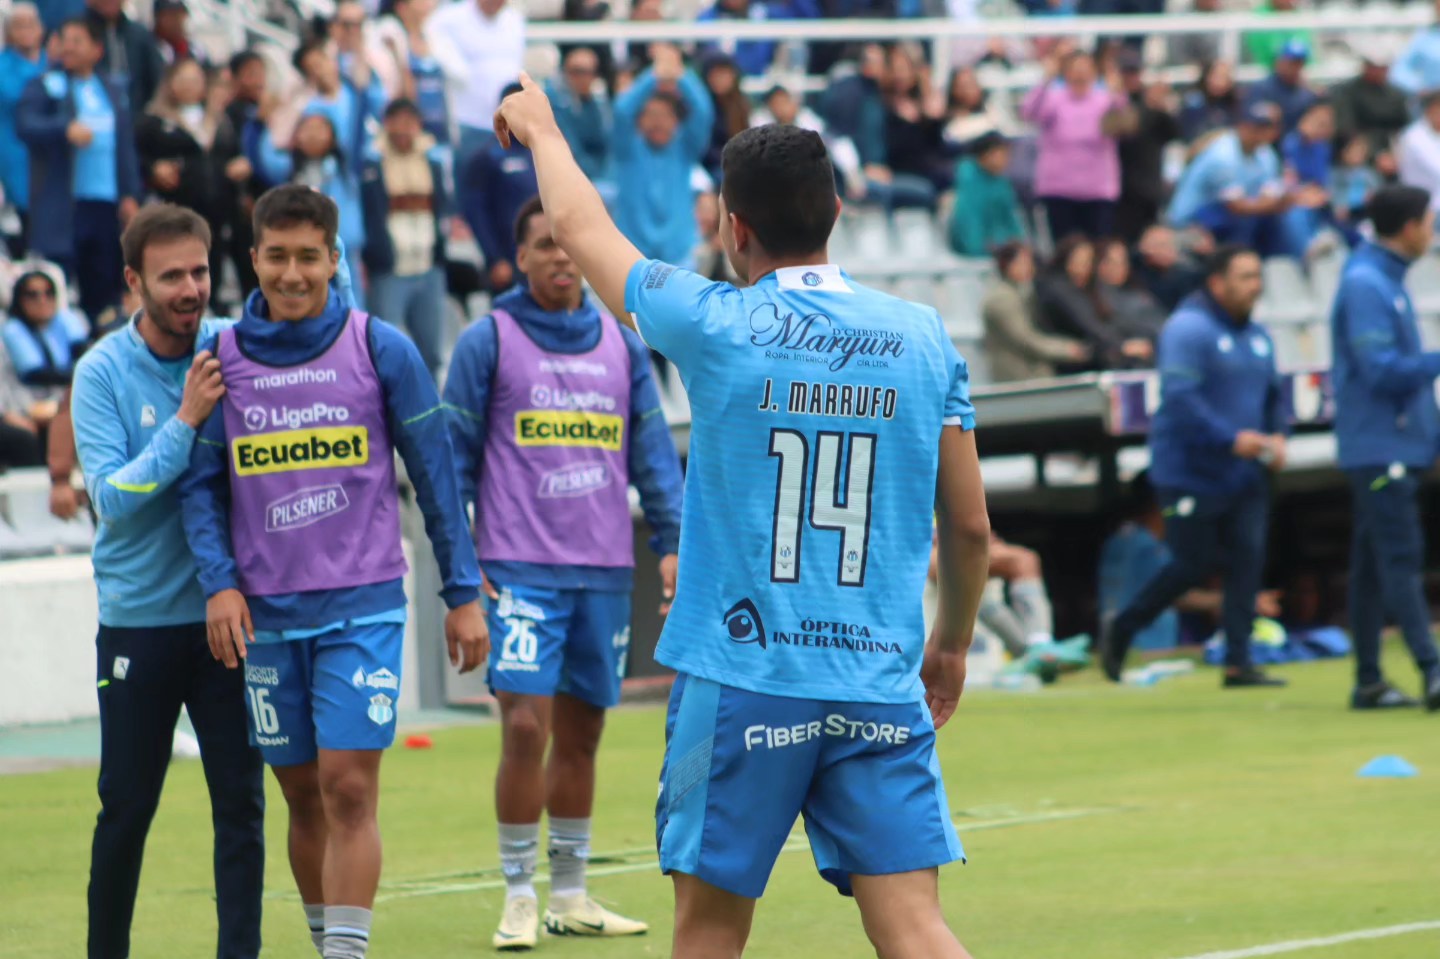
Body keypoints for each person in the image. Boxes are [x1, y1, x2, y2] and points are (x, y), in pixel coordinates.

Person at [493, 74, 992, 959]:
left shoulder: (716, 324)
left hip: (743, 675)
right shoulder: (924, 336)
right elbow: (970, 529)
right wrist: (949, 642)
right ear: (836, 209)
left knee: (711, 933)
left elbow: (580, 230)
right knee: (916, 924)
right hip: (878, 675)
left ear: (734, 227)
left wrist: (539, 126)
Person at [179, 185, 488, 959]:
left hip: (364, 605)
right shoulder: (222, 358)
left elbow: (436, 474)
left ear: (333, 258)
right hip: (268, 617)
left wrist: (462, 593)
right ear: (251, 259)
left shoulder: (381, 346)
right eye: (276, 256)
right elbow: (201, 484)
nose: (291, 273)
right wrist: (219, 580)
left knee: (349, 786)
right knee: (301, 794)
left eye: (307, 257)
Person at [444, 195, 684, 949]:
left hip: (605, 571)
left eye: (567, 244)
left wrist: (673, 542)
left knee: (583, 735)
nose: (558, 256)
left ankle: (571, 892)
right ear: (519, 257)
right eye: (542, 245)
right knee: (523, 726)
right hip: (518, 569)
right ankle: (519, 893)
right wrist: (460, 570)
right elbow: (448, 462)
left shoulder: (621, 342)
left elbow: (652, 453)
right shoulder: (488, 340)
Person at [69, 203, 265, 959]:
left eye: (199, 272)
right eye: (171, 275)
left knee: (241, 808)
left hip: (227, 621)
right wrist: (184, 420)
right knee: (124, 808)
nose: (190, 289)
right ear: (132, 282)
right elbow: (111, 499)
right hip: (139, 623)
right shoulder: (101, 372)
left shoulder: (229, 346)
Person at [1100, 245, 1288, 688]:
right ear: (1217, 282)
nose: (1254, 285)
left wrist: (1279, 436)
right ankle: (1123, 625)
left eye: (1257, 275)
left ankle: (1239, 663)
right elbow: (1182, 398)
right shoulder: (1188, 329)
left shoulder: (1258, 335)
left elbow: (1274, 397)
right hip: (1191, 471)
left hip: (1246, 473)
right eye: (1244, 276)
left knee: (1247, 562)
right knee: (1190, 563)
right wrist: (1230, 439)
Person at [1329, 184, 1440, 711]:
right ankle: (1432, 668)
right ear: (1410, 227)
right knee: (1400, 557)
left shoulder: (1382, 279)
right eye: (1429, 221)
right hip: (1380, 447)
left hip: (1390, 442)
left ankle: (1369, 680)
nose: (1433, 231)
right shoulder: (1367, 284)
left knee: (1373, 565)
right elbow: (1380, 372)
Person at [15, 16, 140, 324]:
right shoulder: (46, 84)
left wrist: (129, 193)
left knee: (104, 274)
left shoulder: (111, 88)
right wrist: (64, 127)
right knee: (62, 273)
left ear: (97, 49)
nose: (68, 47)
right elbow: (25, 124)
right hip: (66, 202)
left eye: (77, 41)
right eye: (65, 39)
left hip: (105, 200)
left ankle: (102, 330)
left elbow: (125, 145)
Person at [362, 97, 450, 378]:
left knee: (431, 350)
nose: (402, 129)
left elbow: (443, 208)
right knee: (386, 349)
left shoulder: (433, 161)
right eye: (396, 122)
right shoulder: (372, 162)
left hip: (427, 264)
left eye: (408, 122)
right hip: (391, 268)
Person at [1167, 101, 1321, 260]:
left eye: (1264, 127)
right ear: (1242, 126)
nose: (1257, 132)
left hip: (1226, 215)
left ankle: (1297, 256)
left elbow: (1267, 196)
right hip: (1187, 222)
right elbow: (1237, 207)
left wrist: (1284, 202)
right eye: (1253, 126)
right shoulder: (1223, 155)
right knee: (1246, 222)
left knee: (1286, 215)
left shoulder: (1265, 154)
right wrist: (1285, 201)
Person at [611, 45, 713, 269]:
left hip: (680, 256)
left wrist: (680, 73)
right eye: (651, 115)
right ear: (640, 120)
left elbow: (703, 110)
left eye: (665, 116)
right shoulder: (626, 149)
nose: (658, 122)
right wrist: (654, 74)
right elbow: (622, 110)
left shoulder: (685, 148)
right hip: (634, 256)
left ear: (677, 121)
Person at [1021, 46, 1130, 241]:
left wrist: (1118, 95)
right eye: (1075, 68)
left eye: (1085, 69)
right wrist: (1045, 80)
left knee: (1099, 248)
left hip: (1097, 189)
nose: (1080, 74)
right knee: (1064, 247)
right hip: (1059, 189)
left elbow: (1123, 127)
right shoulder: (1054, 99)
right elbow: (1029, 113)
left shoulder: (1105, 100)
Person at [459, 82, 537, 296]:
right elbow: (475, 212)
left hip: (542, 260)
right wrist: (494, 258)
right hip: (508, 264)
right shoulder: (486, 157)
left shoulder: (542, 151)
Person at [981, 242, 1088, 382]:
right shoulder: (1001, 300)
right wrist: (1066, 349)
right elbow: (1026, 340)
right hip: (1018, 378)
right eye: (1023, 263)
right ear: (1007, 265)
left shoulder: (1020, 292)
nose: (1030, 268)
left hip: (1029, 374)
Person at [0, 3, 48, 253]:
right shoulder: (2, 67)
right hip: (13, 162)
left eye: (31, 24)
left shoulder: (53, 62)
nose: (26, 31)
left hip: (50, 165)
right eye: (19, 25)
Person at [2, 269, 89, 389]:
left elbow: (85, 352)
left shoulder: (64, 318)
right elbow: (35, 375)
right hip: (29, 397)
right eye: (32, 295)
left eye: (49, 293)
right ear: (19, 300)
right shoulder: (13, 328)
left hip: (70, 388)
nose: (42, 301)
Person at [947, 132, 1025, 257]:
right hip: (979, 253)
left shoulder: (1002, 182)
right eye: (1002, 154)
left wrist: (1021, 245)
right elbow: (969, 223)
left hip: (1005, 250)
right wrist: (979, 251)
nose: (1007, 159)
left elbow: (1010, 219)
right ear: (986, 155)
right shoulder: (969, 181)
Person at [1244, 39, 1316, 135]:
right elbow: (1248, 113)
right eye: (1291, 62)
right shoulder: (1262, 87)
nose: (1295, 67)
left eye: (1299, 63)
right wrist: (1265, 112)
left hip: (1294, 144)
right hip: (1265, 144)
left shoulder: (1306, 93)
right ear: (1279, 62)